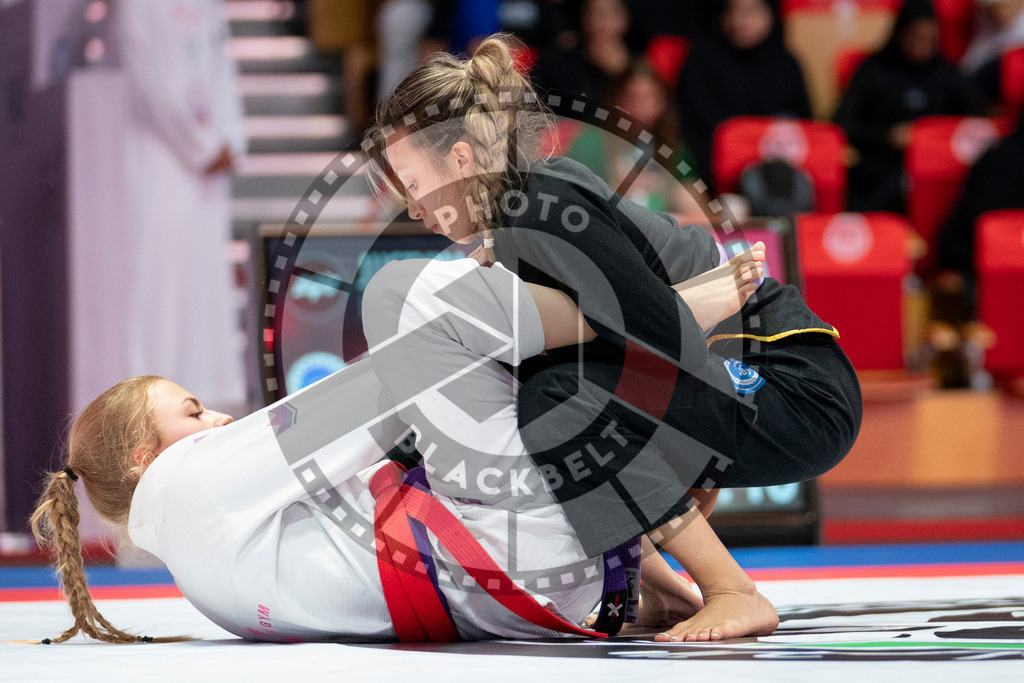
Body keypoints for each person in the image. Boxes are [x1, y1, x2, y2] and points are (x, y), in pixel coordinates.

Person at [367, 33, 862, 642]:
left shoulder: (537, 208)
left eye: (414, 186)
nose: (413, 210)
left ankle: (734, 590)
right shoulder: (519, 219)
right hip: (758, 375)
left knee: (555, 398)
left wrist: (678, 477)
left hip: (796, 388)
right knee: (544, 394)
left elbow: (657, 340)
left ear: (463, 162)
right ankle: (666, 589)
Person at [35, 255, 750, 643]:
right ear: (141, 458)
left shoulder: (200, 577)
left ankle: (651, 567)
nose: (219, 417)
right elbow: (372, 398)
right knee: (413, 305)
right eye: (191, 410)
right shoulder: (189, 482)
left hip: (543, 583)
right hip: (527, 550)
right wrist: (493, 302)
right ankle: (668, 315)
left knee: (443, 405)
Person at [116, 0, 248, 408]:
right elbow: (147, 80)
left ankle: (206, 393)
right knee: (163, 275)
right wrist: (201, 145)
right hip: (162, 160)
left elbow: (221, 68)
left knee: (204, 276)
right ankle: (153, 399)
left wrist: (229, 141)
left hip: (207, 167)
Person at [834, 0, 987, 213]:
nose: (921, 44)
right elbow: (842, 124)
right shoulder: (872, 71)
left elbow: (978, 128)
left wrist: (936, 139)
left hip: (939, 171)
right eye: (915, 36)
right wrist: (887, 136)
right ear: (900, 33)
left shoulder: (951, 77)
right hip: (883, 166)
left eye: (928, 38)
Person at [674, 0, 811, 180]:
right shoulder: (702, 60)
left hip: (779, 167)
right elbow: (694, 124)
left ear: (771, 15)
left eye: (751, 11)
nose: (741, 20)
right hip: (713, 167)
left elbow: (803, 122)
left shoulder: (786, 63)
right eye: (733, 10)